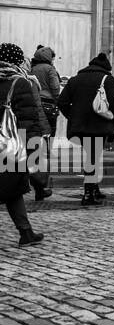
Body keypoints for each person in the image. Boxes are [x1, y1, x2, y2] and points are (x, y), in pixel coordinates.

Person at [57, 52, 114, 208]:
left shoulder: (75, 80)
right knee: (93, 158)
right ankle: (88, 193)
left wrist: (73, 116)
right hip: (99, 126)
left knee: (92, 157)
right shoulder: (108, 80)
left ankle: (94, 188)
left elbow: (62, 101)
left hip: (80, 127)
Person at [0, 42, 45, 246]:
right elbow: (28, 120)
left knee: (12, 189)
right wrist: (34, 149)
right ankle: (25, 232)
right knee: (13, 188)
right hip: (9, 146)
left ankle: (26, 232)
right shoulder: (19, 83)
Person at [30, 45, 62, 140]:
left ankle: (39, 152)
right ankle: (48, 152)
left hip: (36, 102)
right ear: (48, 57)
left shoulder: (33, 68)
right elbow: (55, 87)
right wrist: (58, 100)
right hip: (49, 104)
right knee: (51, 130)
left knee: (39, 130)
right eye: (53, 58)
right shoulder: (50, 69)